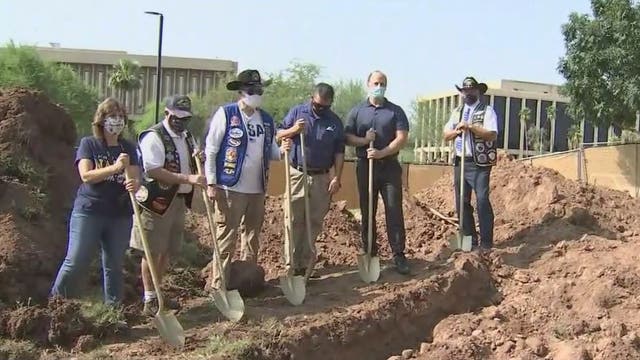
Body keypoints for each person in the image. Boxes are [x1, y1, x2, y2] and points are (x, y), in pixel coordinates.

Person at [50, 97, 140, 309]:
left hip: (120, 214)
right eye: (112, 116)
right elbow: (86, 176)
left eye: (120, 116)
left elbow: (135, 177)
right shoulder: (88, 144)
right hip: (90, 211)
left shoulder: (128, 147)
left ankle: (114, 311)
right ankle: (55, 304)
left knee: (114, 265)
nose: (117, 121)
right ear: (101, 119)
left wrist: (135, 184)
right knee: (76, 260)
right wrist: (115, 168)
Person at [203, 69, 283, 291]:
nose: (256, 94)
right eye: (252, 90)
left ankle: (247, 282)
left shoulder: (266, 120)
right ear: (241, 92)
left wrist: (285, 149)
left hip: (257, 188)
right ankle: (218, 285)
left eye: (259, 90)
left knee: (252, 236)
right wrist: (211, 182)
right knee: (227, 236)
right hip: (230, 186)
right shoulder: (227, 114)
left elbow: (273, 152)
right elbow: (211, 149)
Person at [130, 94, 206, 316]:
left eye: (185, 118)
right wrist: (187, 179)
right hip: (156, 202)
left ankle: (157, 292)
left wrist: (196, 160)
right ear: (167, 113)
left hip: (179, 201)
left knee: (166, 251)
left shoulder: (188, 137)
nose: (181, 122)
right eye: (177, 117)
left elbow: (189, 162)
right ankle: (149, 299)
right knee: (152, 250)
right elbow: (153, 170)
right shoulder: (154, 137)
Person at [344, 70, 411, 275]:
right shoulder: (357, 112)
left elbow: (401, 138)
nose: (378, 86)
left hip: (389, 166)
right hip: (365, 166)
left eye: (382, 83)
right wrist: (365, 141)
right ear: (368, 84)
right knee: (367, 210)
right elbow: (347, 137)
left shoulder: (395, 111)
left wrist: (382, 152)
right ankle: (370, 251)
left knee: (393, 209)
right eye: (375, 83)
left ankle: (398, 254)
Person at [276, 83, 345, 277]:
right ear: (311, 98)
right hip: (298, 174)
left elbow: (339, 152)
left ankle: (305, 264)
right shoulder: (298, 112)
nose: (320, 109)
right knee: (293, 218)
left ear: (331, 103)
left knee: (313, 221)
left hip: (322, 177)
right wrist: (293, 130)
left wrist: (337, 177)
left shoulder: (334, 122)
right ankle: (291, 264)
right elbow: (278, 134)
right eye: (317, 105)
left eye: (325, 106)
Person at [443, 76, 498, 253]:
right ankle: (469, 238)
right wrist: (456, 131)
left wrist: (471, 127)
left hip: (479, 163)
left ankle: (486, 241)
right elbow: (446, 134)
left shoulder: (487, 111)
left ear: (478, 91)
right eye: (465, 90)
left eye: (471, 90)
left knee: (481, 199)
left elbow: (491, 134)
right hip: (461, 161)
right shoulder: (457, 112)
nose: (468, 93)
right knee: (461, 201)